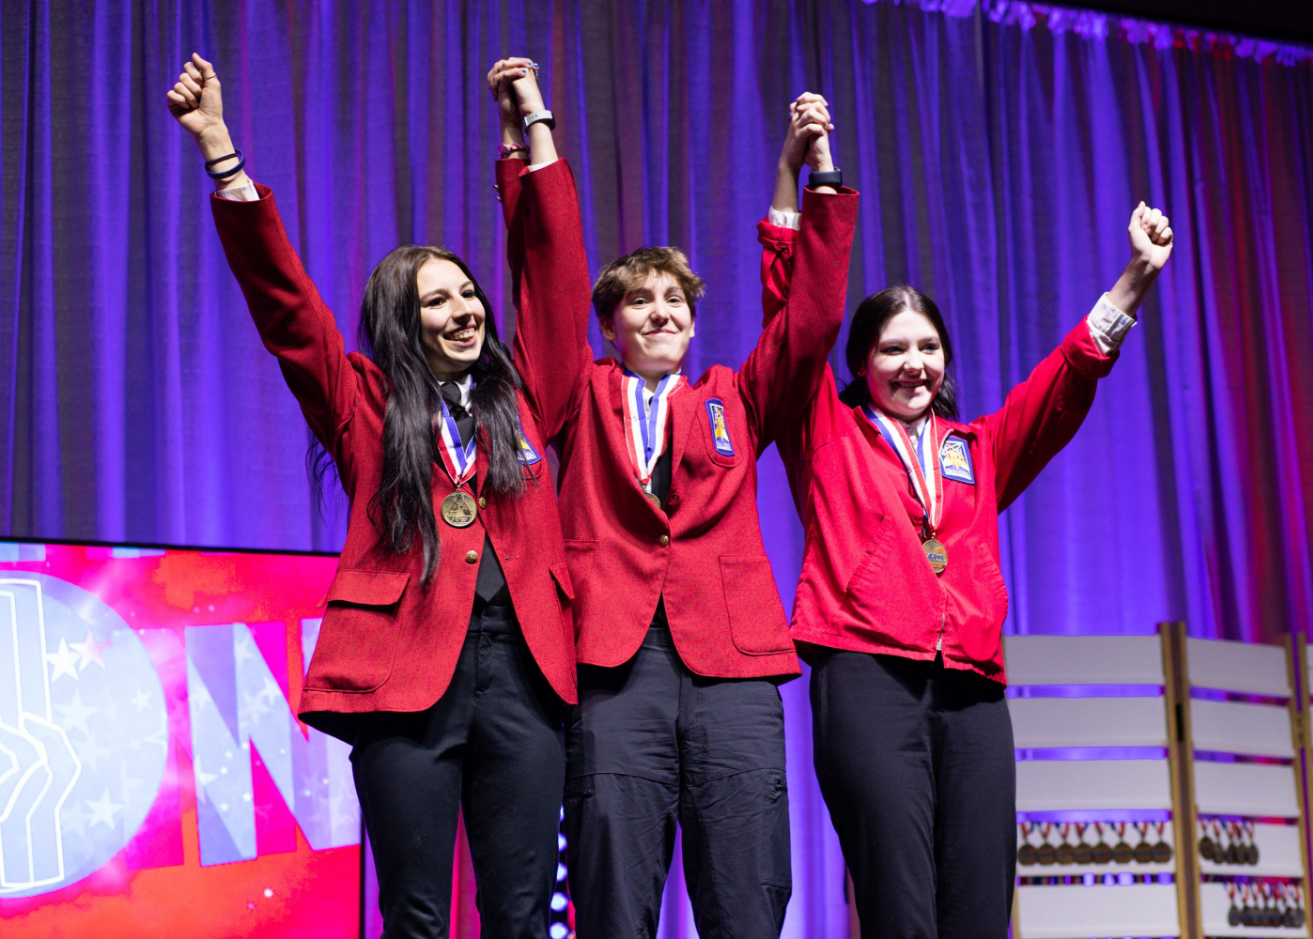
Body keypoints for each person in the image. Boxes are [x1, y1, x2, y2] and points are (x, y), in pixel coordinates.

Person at [166, 54, 576, 939]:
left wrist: (530, 137)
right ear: (403, 318)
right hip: (404, 679)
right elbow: (287, 312)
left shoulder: (530, 399)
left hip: (524, 676)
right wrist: (223, 156)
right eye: (439, 301)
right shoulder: (362, 404)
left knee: (520, 912)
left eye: (470, 293)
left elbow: (553, 283)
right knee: (416, 913)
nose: (466, 310)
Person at [486, 57, 857, 938]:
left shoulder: (734, 396)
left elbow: (808, 319)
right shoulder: (575, 395)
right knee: (614, 891)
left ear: (693, 322)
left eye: (674, 303)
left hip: (730, 666)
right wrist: (528, 138)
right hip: (614, 667)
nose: (659, 314)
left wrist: (819, 173)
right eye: (638, 302)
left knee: (746, 888)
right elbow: (544, 279)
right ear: (608, 323)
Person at [759, 201, 1174, 937]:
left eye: (927, 347)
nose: (912, 364)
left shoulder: (975, 449)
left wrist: (1136, 276)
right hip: (866, 677)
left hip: (971, 688)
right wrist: (797, 187)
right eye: (891, 349)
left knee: (980, 908)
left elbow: (1065, 381)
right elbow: (792, 323)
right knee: (901, 908)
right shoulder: (826, 432)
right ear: (860, 362)